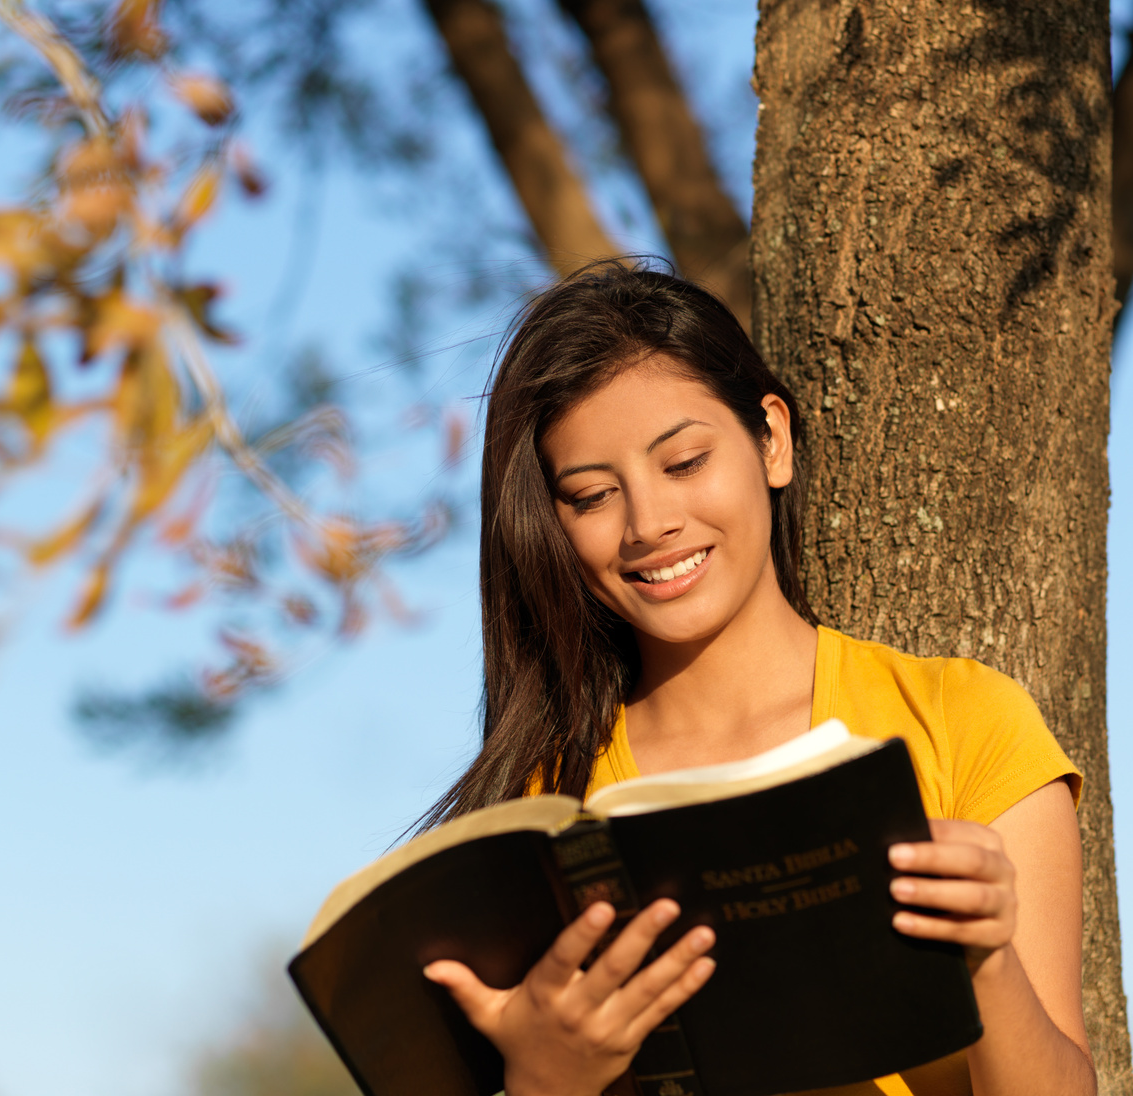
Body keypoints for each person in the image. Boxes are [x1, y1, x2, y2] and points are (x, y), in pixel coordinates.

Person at [419, 262, 1095, 1096]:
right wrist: (543, 1080)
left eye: (684, 461)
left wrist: (989, 961)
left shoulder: (964, 720)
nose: (649, 525)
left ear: (770, 440)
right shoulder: (538, 807)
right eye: (592, 496)